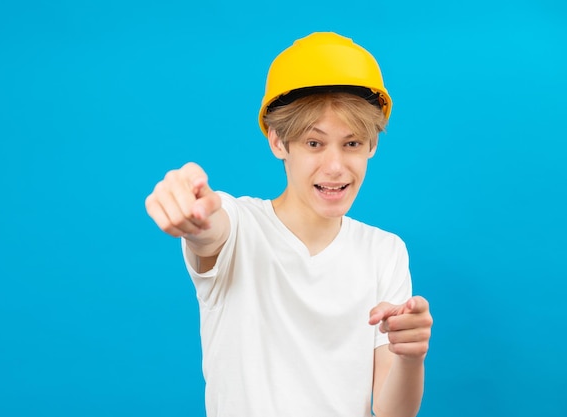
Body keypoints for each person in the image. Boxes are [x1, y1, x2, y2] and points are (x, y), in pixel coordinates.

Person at [145, 32, 433, 417]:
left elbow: (393, 412)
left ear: (372, 146)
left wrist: (411, 357)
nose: (335, 167)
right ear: (278, 142)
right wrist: (192, 212)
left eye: (351, 144)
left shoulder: (384, 251)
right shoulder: (241, 227)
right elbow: (211, 230)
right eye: (314, 143)